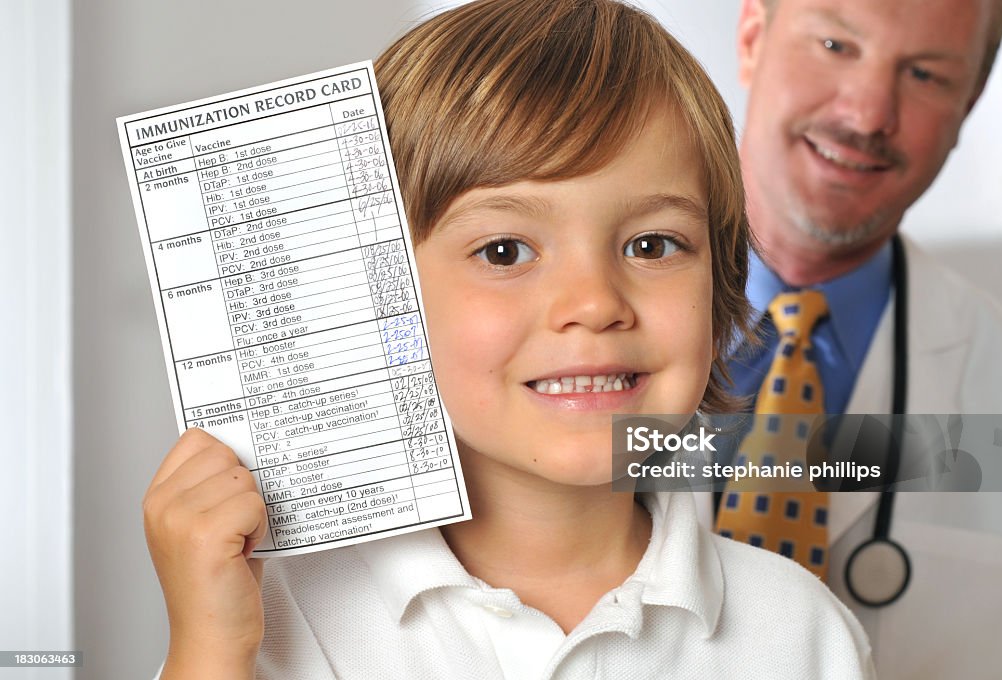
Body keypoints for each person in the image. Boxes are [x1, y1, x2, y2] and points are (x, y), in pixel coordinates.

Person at [143, 1, 876, 678]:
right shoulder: (264, 617)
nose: (593, 304)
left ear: (719, 292)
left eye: (652, 245)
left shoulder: (800, 634)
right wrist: (207, 648)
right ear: (380, 296)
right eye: (504, 252)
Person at [712, 0, 1002, 678]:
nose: (866, 116)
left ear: (969, 104)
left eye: (924, 75)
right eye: (834, 44)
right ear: (751, 39)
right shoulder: (535, 328)